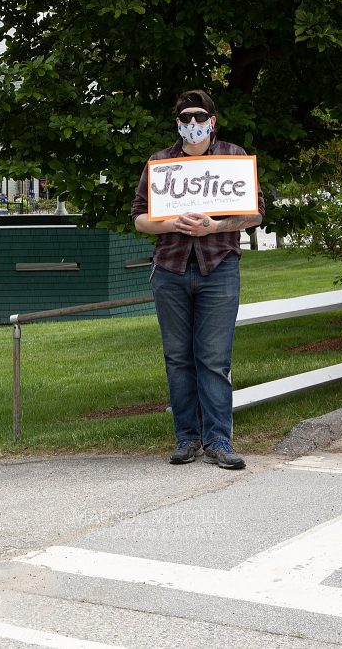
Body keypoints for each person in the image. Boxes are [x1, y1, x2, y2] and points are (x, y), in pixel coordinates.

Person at [130, 90, 264, 470]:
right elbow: (139, 217)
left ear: (212, 121)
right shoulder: (160, 163)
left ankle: (219, 439)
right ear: (177, 122)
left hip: (219, 267)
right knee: (177, 359)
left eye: (198, 117)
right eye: (185, 118)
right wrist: (174, 223)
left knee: (214, 358)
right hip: (170, 270)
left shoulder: (233, 158)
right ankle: (186, 438)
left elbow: (255, 213)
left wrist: (215, 227)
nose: (192, 124)